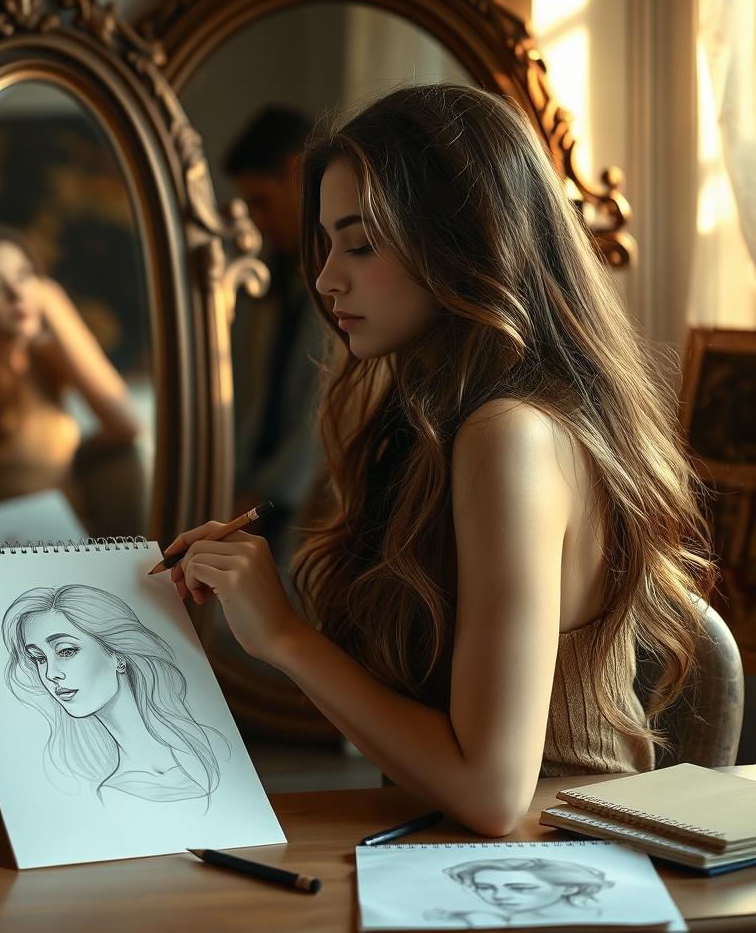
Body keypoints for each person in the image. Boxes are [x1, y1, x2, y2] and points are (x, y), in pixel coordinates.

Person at [161, 84, 716, 837]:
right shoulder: (444, 425)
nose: (326, 278)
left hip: (563, 864)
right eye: (326, 244)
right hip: (449, 844)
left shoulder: (510, 435)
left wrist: (286, 638)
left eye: (359, 244)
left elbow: (493, 792)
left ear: (466, 240)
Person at [0, 225, 140, 515]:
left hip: (66, 541)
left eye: (24, 275)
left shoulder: (46, 357)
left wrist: (54, 300)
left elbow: (127, 426)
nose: (16, 295)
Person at [1, 584, 228, 803]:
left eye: (66, 651)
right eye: (39, 659)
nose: (51, 674)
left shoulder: (217, 748)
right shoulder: (105, 791)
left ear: (118, 656)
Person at [224, 107, 325, 560]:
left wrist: (259, 498)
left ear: (297, 173)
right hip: (259, 497)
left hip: (314, 506)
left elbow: (323, 415)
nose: (256, 221)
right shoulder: (269, 282)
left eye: (262, 201)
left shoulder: (342, 287)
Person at [428, 857, 612, 926]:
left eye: (522, 888)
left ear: (570, 887)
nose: (498, 896)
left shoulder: (606, 919)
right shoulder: (478, 919)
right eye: (484, 887)